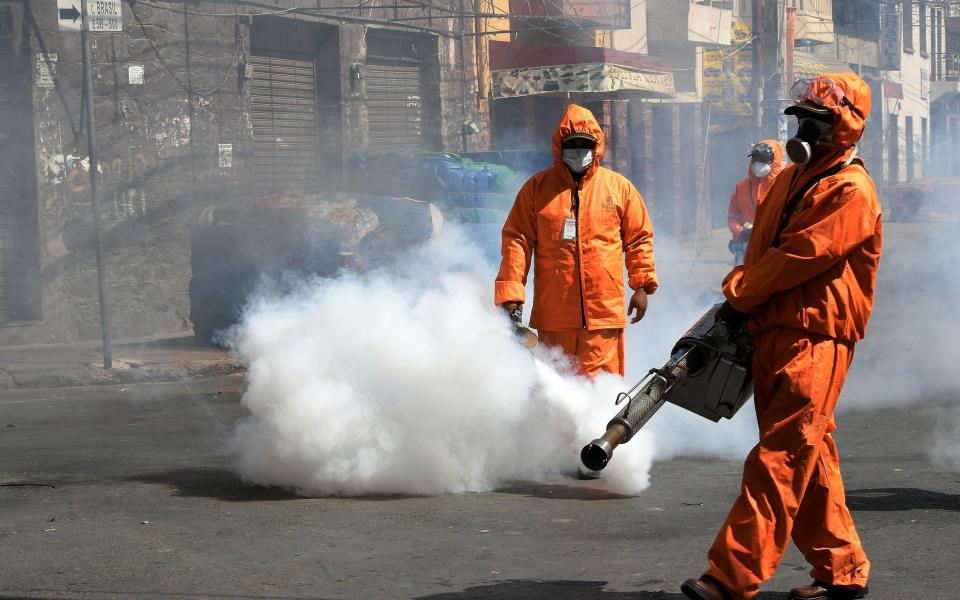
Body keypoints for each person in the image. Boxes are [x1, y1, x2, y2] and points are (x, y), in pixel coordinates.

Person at [681, 72, 881, 600]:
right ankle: (843, 571)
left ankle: (730, 577)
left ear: (847, 127)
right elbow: (760, 251)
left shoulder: (850, 189)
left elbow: (800, 256)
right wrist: (738, 310)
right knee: (808, 454)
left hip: (816, 336)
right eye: (803, 119)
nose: (807, 129)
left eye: (820, 120)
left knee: (783, 456)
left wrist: (740, 293)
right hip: (775, 330)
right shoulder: (792, 180)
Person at [495, 104, 657, 378]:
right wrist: (512, 293)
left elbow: (639, 238)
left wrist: (642, 285)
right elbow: (517, 241)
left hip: (603, 317)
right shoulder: (537, 189)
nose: (579, 150)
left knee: (602, 393)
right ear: (560, 147)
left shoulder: (619, 188)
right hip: (554, 317)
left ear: (597, 148)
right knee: (557, 394)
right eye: (573, 144)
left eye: (586, 144)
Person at [727, 140, 784, 265]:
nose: (758, 164)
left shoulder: (784, 187)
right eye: (756, 159)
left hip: (775, 250)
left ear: (774, 162)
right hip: (746, 249)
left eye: (764, 160)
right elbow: (732, 217)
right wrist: (741, 232)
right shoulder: (741, 188)